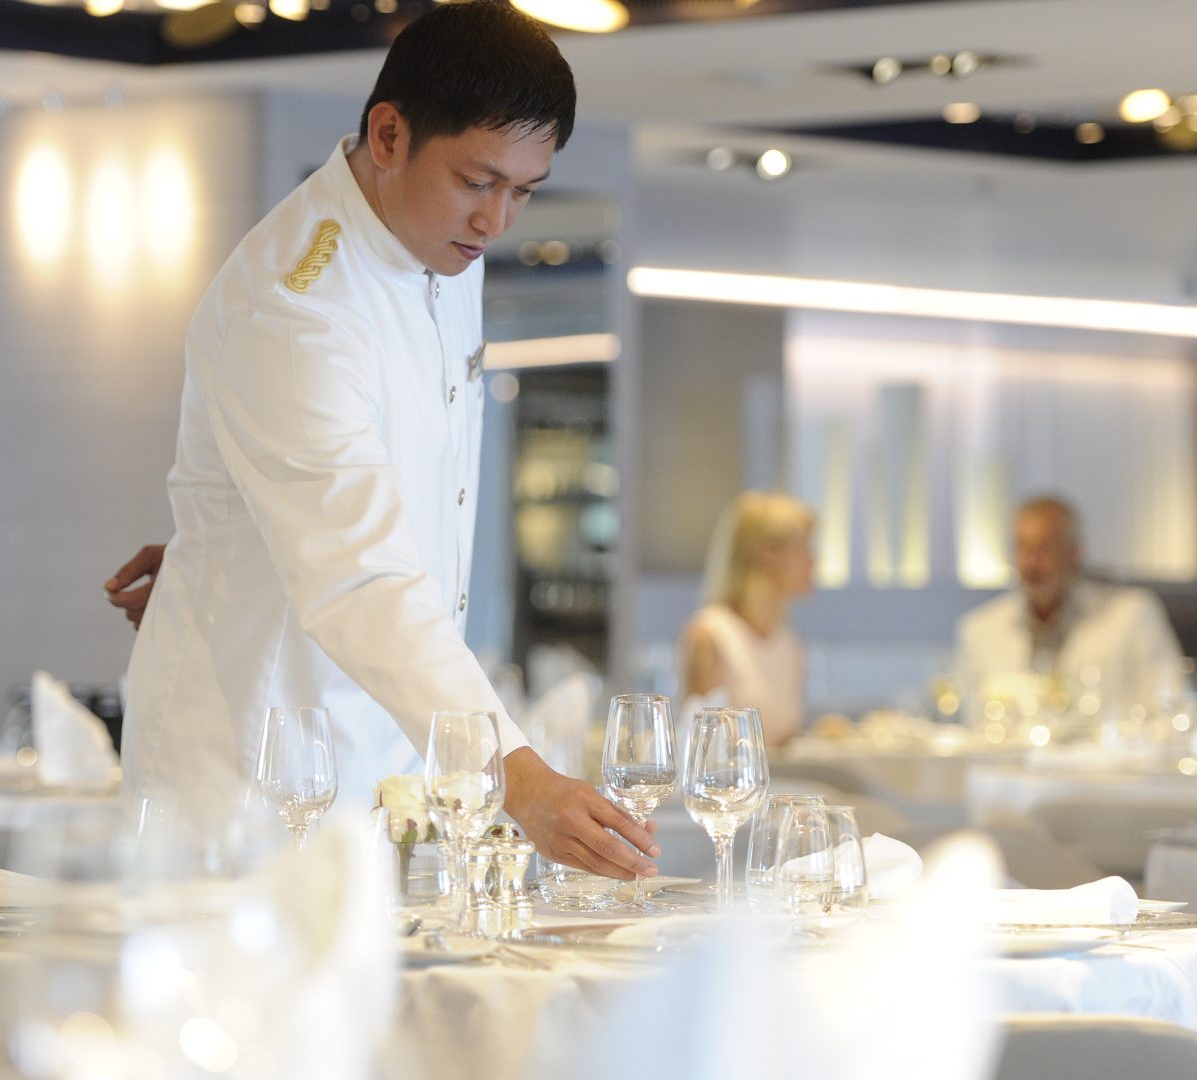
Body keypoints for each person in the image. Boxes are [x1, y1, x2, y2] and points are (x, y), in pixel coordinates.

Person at [112, 1, 657, 882]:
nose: (496, 221)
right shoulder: (296, 307)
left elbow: (383, 490)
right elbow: (358, 573)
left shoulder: (436, 246)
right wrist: (516, 777)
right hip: (251, 775)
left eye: (523, 191)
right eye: (477, 181)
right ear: (389, 133)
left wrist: (229, 541)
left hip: (392, 751)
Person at [956, 495, 1181, 711]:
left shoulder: (1132, 615)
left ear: (1074, 553)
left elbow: (1173, 706)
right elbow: (977, 723)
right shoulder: (979, 629)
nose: (1032, 564)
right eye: (1023, 548)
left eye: (1044, 548)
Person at [679, 491, 815, 747]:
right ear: (767, 554)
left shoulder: (789, 645)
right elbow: (702, 749)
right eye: (803, 548)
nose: (813, 560)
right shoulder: (710, 637)